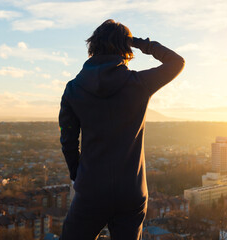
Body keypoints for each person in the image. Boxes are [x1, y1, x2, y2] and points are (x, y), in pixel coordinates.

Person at [58, 19, 185, 240]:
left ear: (92, 46)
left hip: (91, 190)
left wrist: (78, 176)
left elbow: (68, 141)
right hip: (131, 192)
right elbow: (176, 62)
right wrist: (137, 42)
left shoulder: (73, 89)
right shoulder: (139, 83)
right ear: (125, 48)